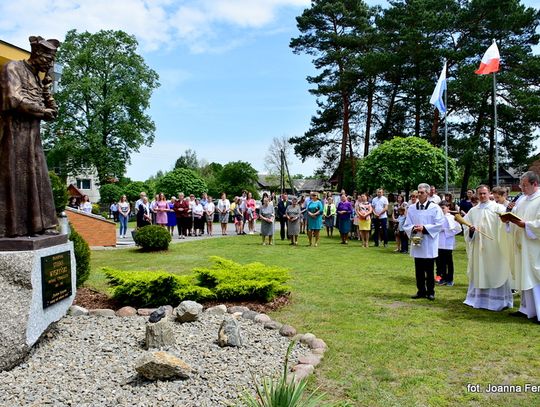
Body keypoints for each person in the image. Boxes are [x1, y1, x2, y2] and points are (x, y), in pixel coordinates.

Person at [0, 36, 60, 238]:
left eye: (52, 61)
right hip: (15, 134)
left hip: (33, 136)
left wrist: (47, 90)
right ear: (36, 54)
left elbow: (50, 110)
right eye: (47, 59)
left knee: (39, 178)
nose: (49, 64)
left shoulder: (37, 78)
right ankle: (14, 229)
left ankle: (40, 226)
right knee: (16, 179)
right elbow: (13, 99)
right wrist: (42, 110)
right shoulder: (13, 68)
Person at [463, 185, 513, 311]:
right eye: (480, 193)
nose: (482, 196)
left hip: (495, 247)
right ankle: (479, 299)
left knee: (495, 270)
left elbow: (507, 226)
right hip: (478, 247)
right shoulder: (473, 211)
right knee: (480, 270)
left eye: (484, 193)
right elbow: (466, 227)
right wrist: (471, 230)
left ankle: (497, 300)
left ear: (489, 193)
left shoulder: (498, 208)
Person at [504, 171, 540, 323]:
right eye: (521, 185)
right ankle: (525, 309)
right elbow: (515, 216)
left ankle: (538, 312)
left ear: (535, 184)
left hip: (534, 247)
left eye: (525, 186)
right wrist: (507, 220)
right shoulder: (522, 200)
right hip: (521, 245)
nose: (522, 189)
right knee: (523, 275)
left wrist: (526, 225)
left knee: (534, 277)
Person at [404, 183, 445, 300]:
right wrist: (413, 228)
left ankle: (430, 291)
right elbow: (407, 224)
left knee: (429, 268)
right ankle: (421, 290)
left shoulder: (435, 208)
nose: (419, 195)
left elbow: (439, 224)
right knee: (419, 268)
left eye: (422, 192)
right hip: (417, 240)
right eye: (418, 192)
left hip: (428, 241)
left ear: (427, 193)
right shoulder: (412, 208)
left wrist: (425, 228)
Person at [435, 201, 462, 286]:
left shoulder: (451, 217)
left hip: (448, 243)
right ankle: (442, 278)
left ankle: (450, 279)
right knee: (440, 262)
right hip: (438, 242)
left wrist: (445, 231)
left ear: (448, 208)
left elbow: (458, 229)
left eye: (443, 208)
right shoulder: (437, 218)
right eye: (440, 208)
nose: (442, 210)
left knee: (448, 262)